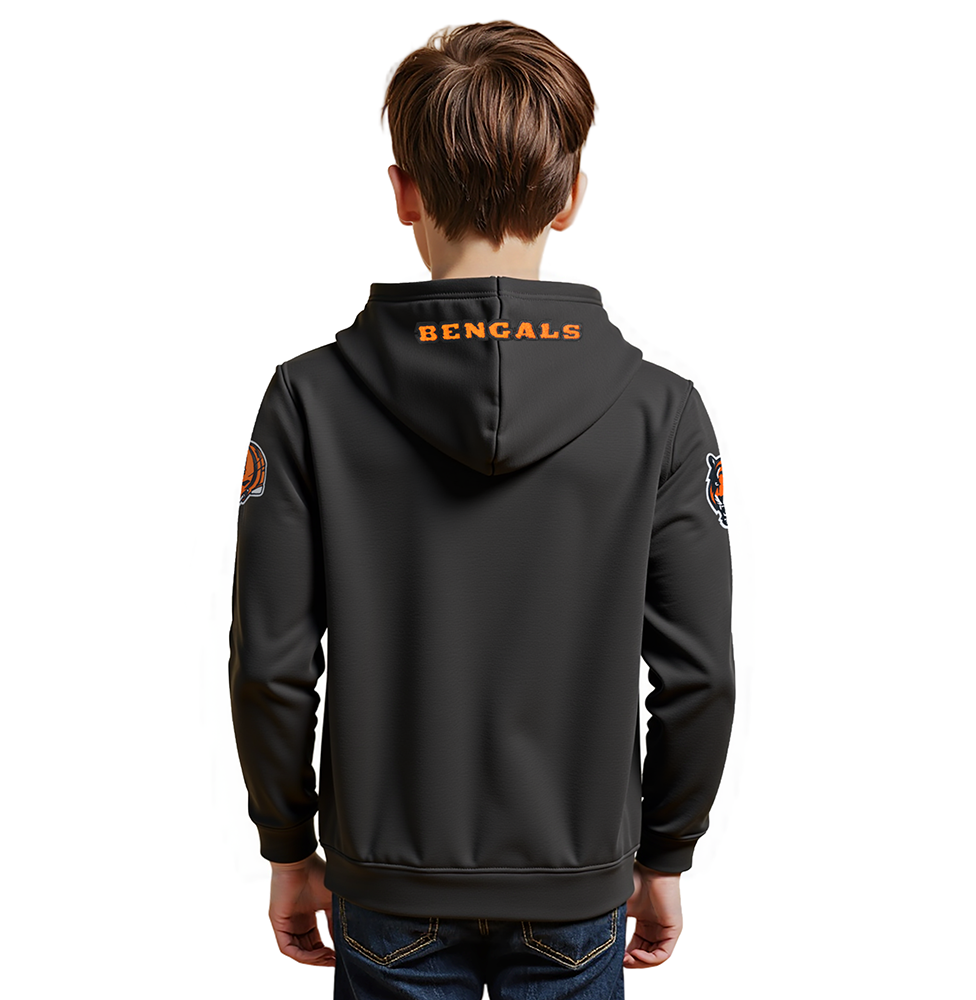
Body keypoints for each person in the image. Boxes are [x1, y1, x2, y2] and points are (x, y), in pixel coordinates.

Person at [228, 19, 735, 1000]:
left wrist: (287, 846)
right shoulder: (661, 413)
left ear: (403, 192)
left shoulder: (308, 399)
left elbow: (271, 662)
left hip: (386, 886)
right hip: (577, 886)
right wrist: (664, 853)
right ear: (571, 197)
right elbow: (698, 673)